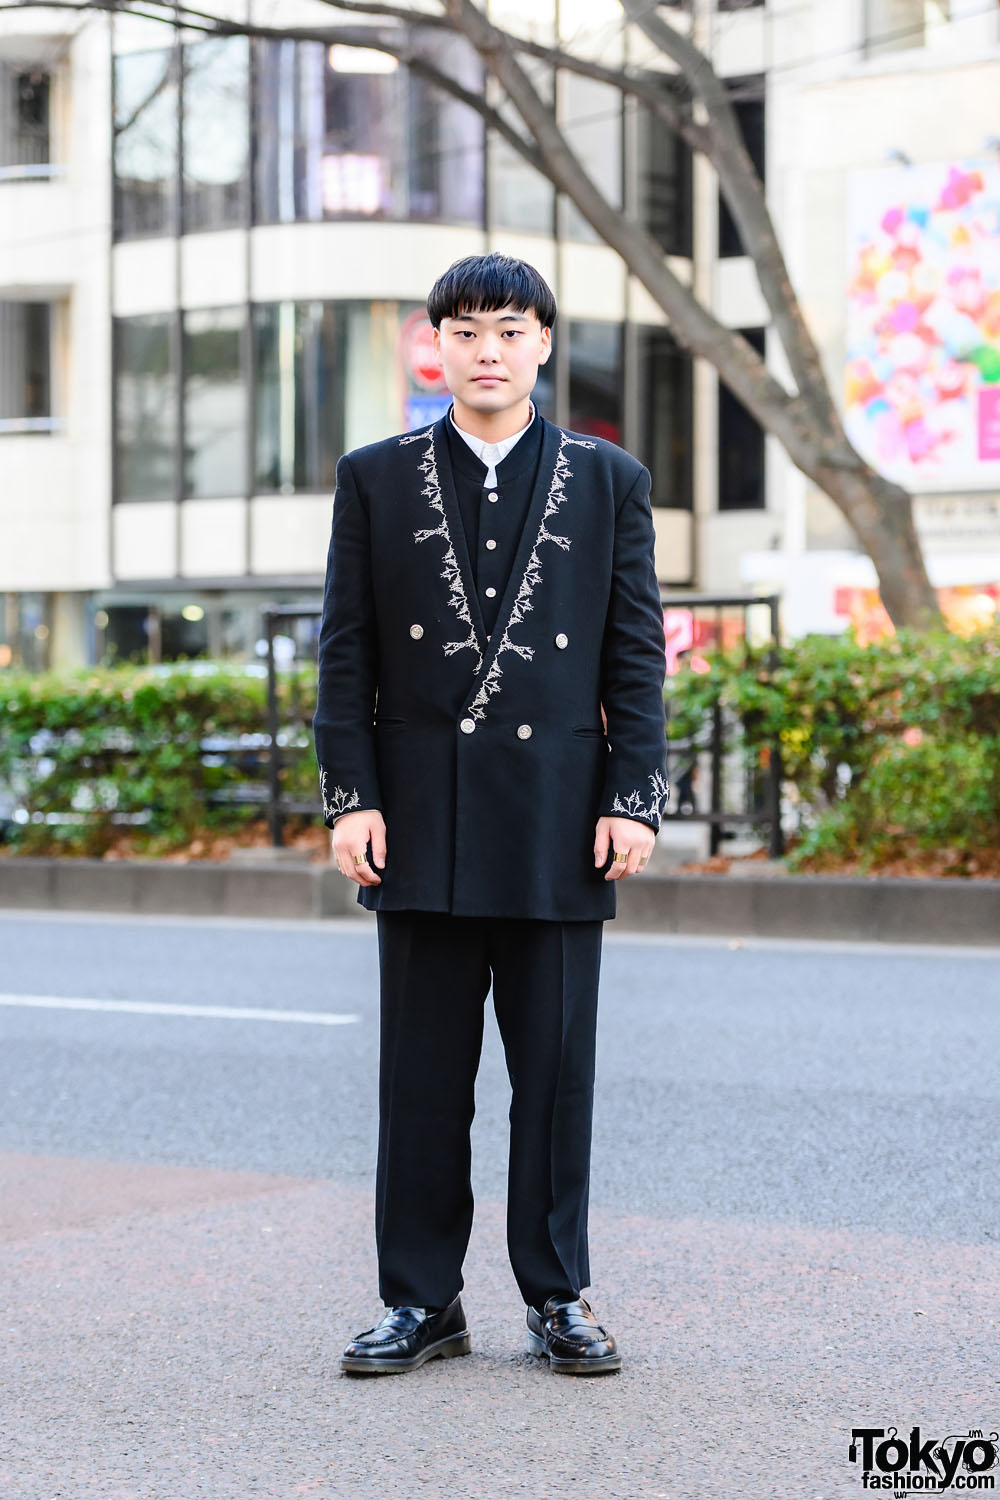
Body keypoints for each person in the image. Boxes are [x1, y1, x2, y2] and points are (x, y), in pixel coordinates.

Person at [312, 252, 668, 1377]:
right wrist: (350, 796)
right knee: (421, 1077)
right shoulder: (375, 477)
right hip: (416, 816)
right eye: (465, 331)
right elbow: (345, 653)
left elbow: (634, 655)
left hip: (561, 817)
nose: (487, 351)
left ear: (543, 346)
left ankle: (558, 1294)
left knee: (554, 1076)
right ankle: (420, 1302)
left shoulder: (608, 481)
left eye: (509, 330)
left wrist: (634, 798)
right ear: (436, 346)